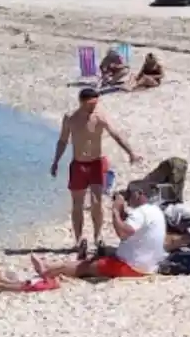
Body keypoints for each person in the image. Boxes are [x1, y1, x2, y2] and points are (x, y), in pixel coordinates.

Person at [50, 87, 141, 252]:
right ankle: (78, 240)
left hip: (96, 163)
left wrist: (131, 152)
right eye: (91, 104)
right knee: (77, 204)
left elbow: (116, 134)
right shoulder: (70, 118)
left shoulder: (100, 116)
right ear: (81, 102)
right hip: (78, 164)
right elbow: (62, 141)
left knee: (96, 202)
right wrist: (56, 161)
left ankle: (98, 237)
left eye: (96, 103)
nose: (94, 107)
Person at [32, 181, 168, 279]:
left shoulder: (140, 213)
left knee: (85, 266)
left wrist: (115, 210)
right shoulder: (154, 210)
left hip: (132, 267)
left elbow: (123, 233)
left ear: (138, 194)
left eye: (129, 194)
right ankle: (64, 264)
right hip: (148, 265)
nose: (128, 199)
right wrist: (121, 211)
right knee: (103, 253)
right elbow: (131, 227)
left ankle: (47, 269)